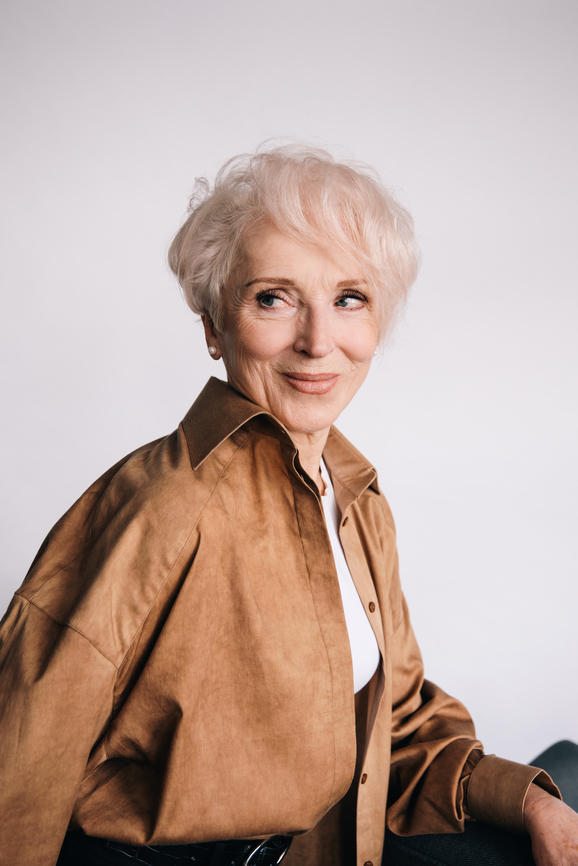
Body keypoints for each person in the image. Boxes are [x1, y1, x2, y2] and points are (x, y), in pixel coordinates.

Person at [0, 144, 576, 866]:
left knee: (567, 776)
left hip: (348, 844)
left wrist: (530, 801)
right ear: (214, 324)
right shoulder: (156, 503)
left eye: (349, 299)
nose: (317, 341)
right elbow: (23, 754)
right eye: (273, 297)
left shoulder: (358, 498)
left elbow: (393, 724)